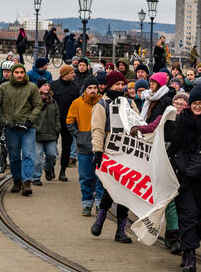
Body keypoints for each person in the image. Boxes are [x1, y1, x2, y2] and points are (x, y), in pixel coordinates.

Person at [164, 86, 201, 272]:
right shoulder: (182, 120)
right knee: (186, 214)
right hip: (182, 176)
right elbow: (174, 145)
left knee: (197, 216)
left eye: (200, 103)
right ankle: (190, 254)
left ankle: (191, 245)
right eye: (194, 103)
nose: (197, 106)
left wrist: (190, 174)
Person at [0, 62, 41, 196]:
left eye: (22, 72)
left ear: (25, 73)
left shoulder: (32, 87)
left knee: (28, 155)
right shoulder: (4, 87)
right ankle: (17, 180)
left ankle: (26, 182)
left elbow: (38, 105)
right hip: (10, 127)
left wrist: (30, 120)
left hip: (27, 127)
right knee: (14, 156)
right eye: (17, 73)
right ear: (12, 74)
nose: (19, 75)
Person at [90, 72, 133, 243]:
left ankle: (120, 229)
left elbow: (137, 125)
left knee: (126, 191)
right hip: (110, 153)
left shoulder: (129, 103)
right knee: (110, 188)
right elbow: (98, 129)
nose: (120, 88)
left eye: (122, 84)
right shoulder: (102, 105)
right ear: (110, 85)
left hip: (127, 153)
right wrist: (98, 151)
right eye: (117, 85)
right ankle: (101, 216)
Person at [66, 78, 102, 214]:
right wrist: (78, 135)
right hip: (83, 146)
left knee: (100, 177)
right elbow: (69, 121)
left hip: (100, 145)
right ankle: (87, 203)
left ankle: (99, 202)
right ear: (85, 89)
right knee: (85, 176)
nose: (93, 90)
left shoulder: (103, 102)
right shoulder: (77, 103)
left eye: (95, 87)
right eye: (90, 88)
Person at [31, 81, 60, 185]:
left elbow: (57, 115)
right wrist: (35, 128)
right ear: (39, 88)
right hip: (37, 134)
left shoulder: (53, 101)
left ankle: (48, 168)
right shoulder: (34, 99)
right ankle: (36, 177)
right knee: (37, 158)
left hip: (51, 133)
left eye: (48, 85)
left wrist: (57, 128)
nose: (47, 87)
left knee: (52, 155)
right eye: (44, 85)